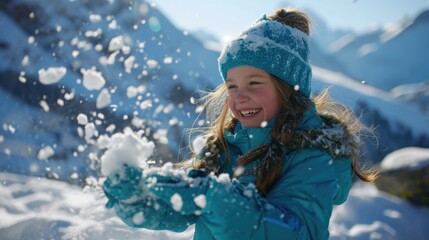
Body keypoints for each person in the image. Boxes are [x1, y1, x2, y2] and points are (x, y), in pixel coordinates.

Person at [102, 8, 378, 239]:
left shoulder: (313, 156)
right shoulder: (225, 146)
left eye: (254, 83)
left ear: (289, 89)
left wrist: (213, 199)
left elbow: (297, 231)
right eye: (231, 86)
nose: (239, 96)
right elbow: (178, 209)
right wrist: (137, 199)